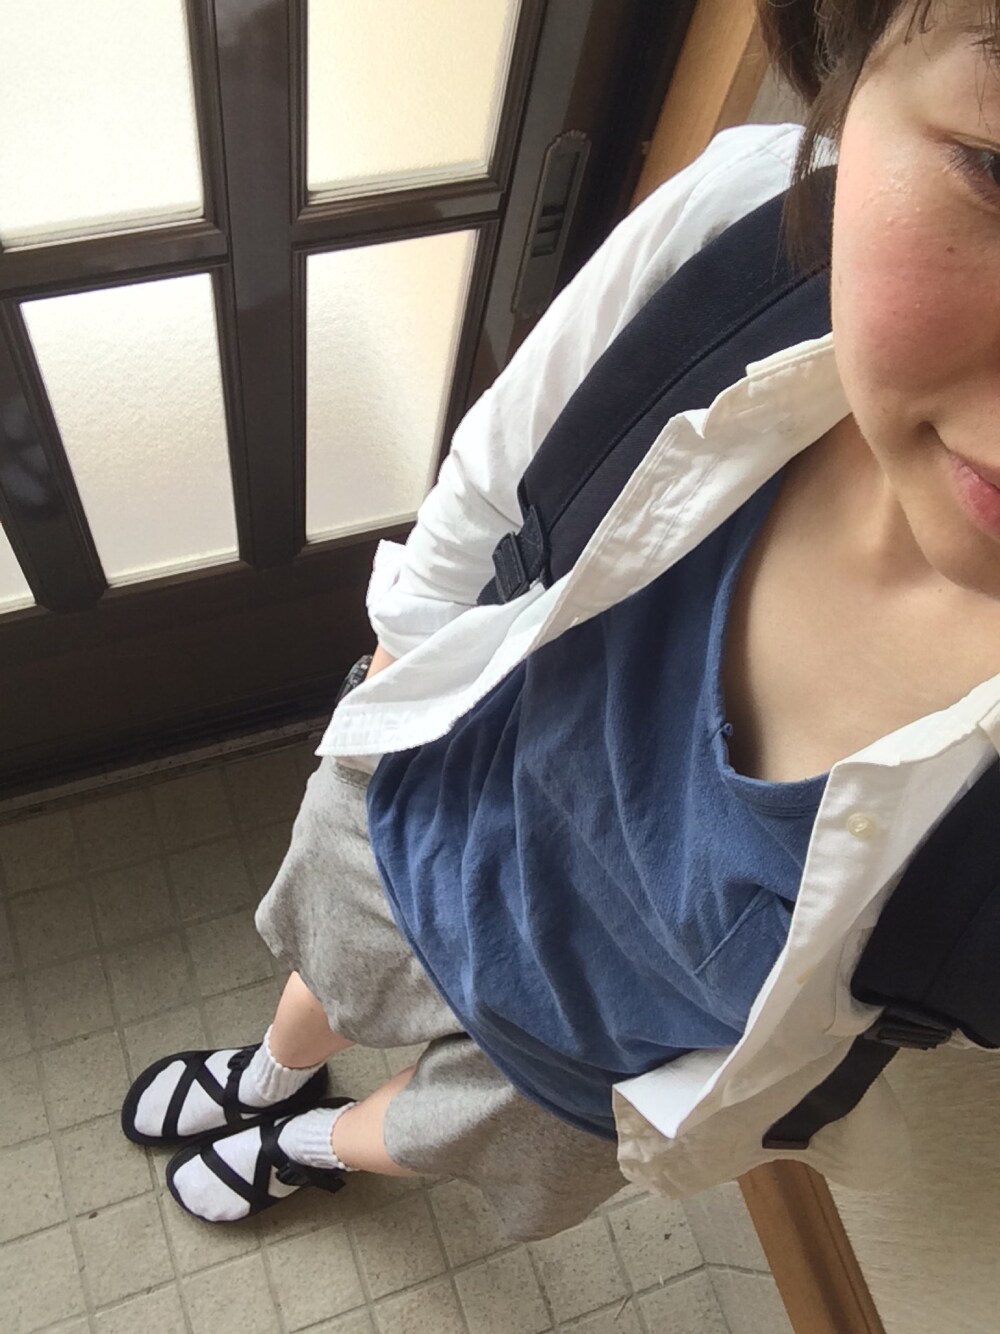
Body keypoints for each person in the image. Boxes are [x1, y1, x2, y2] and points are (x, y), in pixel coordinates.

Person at [121, 0, 1000, 1238]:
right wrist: (391, 690)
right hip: (441, 795)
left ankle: (304, 1141)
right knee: (339, 953)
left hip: (616, 1054)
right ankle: (273, 1071)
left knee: (450, 1125)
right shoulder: (749, 230)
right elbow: (494, 482)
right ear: (853, 65)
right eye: (997, 166)